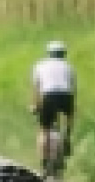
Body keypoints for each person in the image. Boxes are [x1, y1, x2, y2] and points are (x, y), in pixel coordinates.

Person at [30, 40, 77, 172]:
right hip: (66, 96)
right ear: (63, 54)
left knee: (44, 130)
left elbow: (37, 88)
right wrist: (72, 107)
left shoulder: (40, 65)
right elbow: (73, 89)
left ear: (49, 53)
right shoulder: (69, 67)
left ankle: (44, 162)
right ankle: (67, 136)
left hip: (48, 96)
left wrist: (35, 105)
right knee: (69, 116)